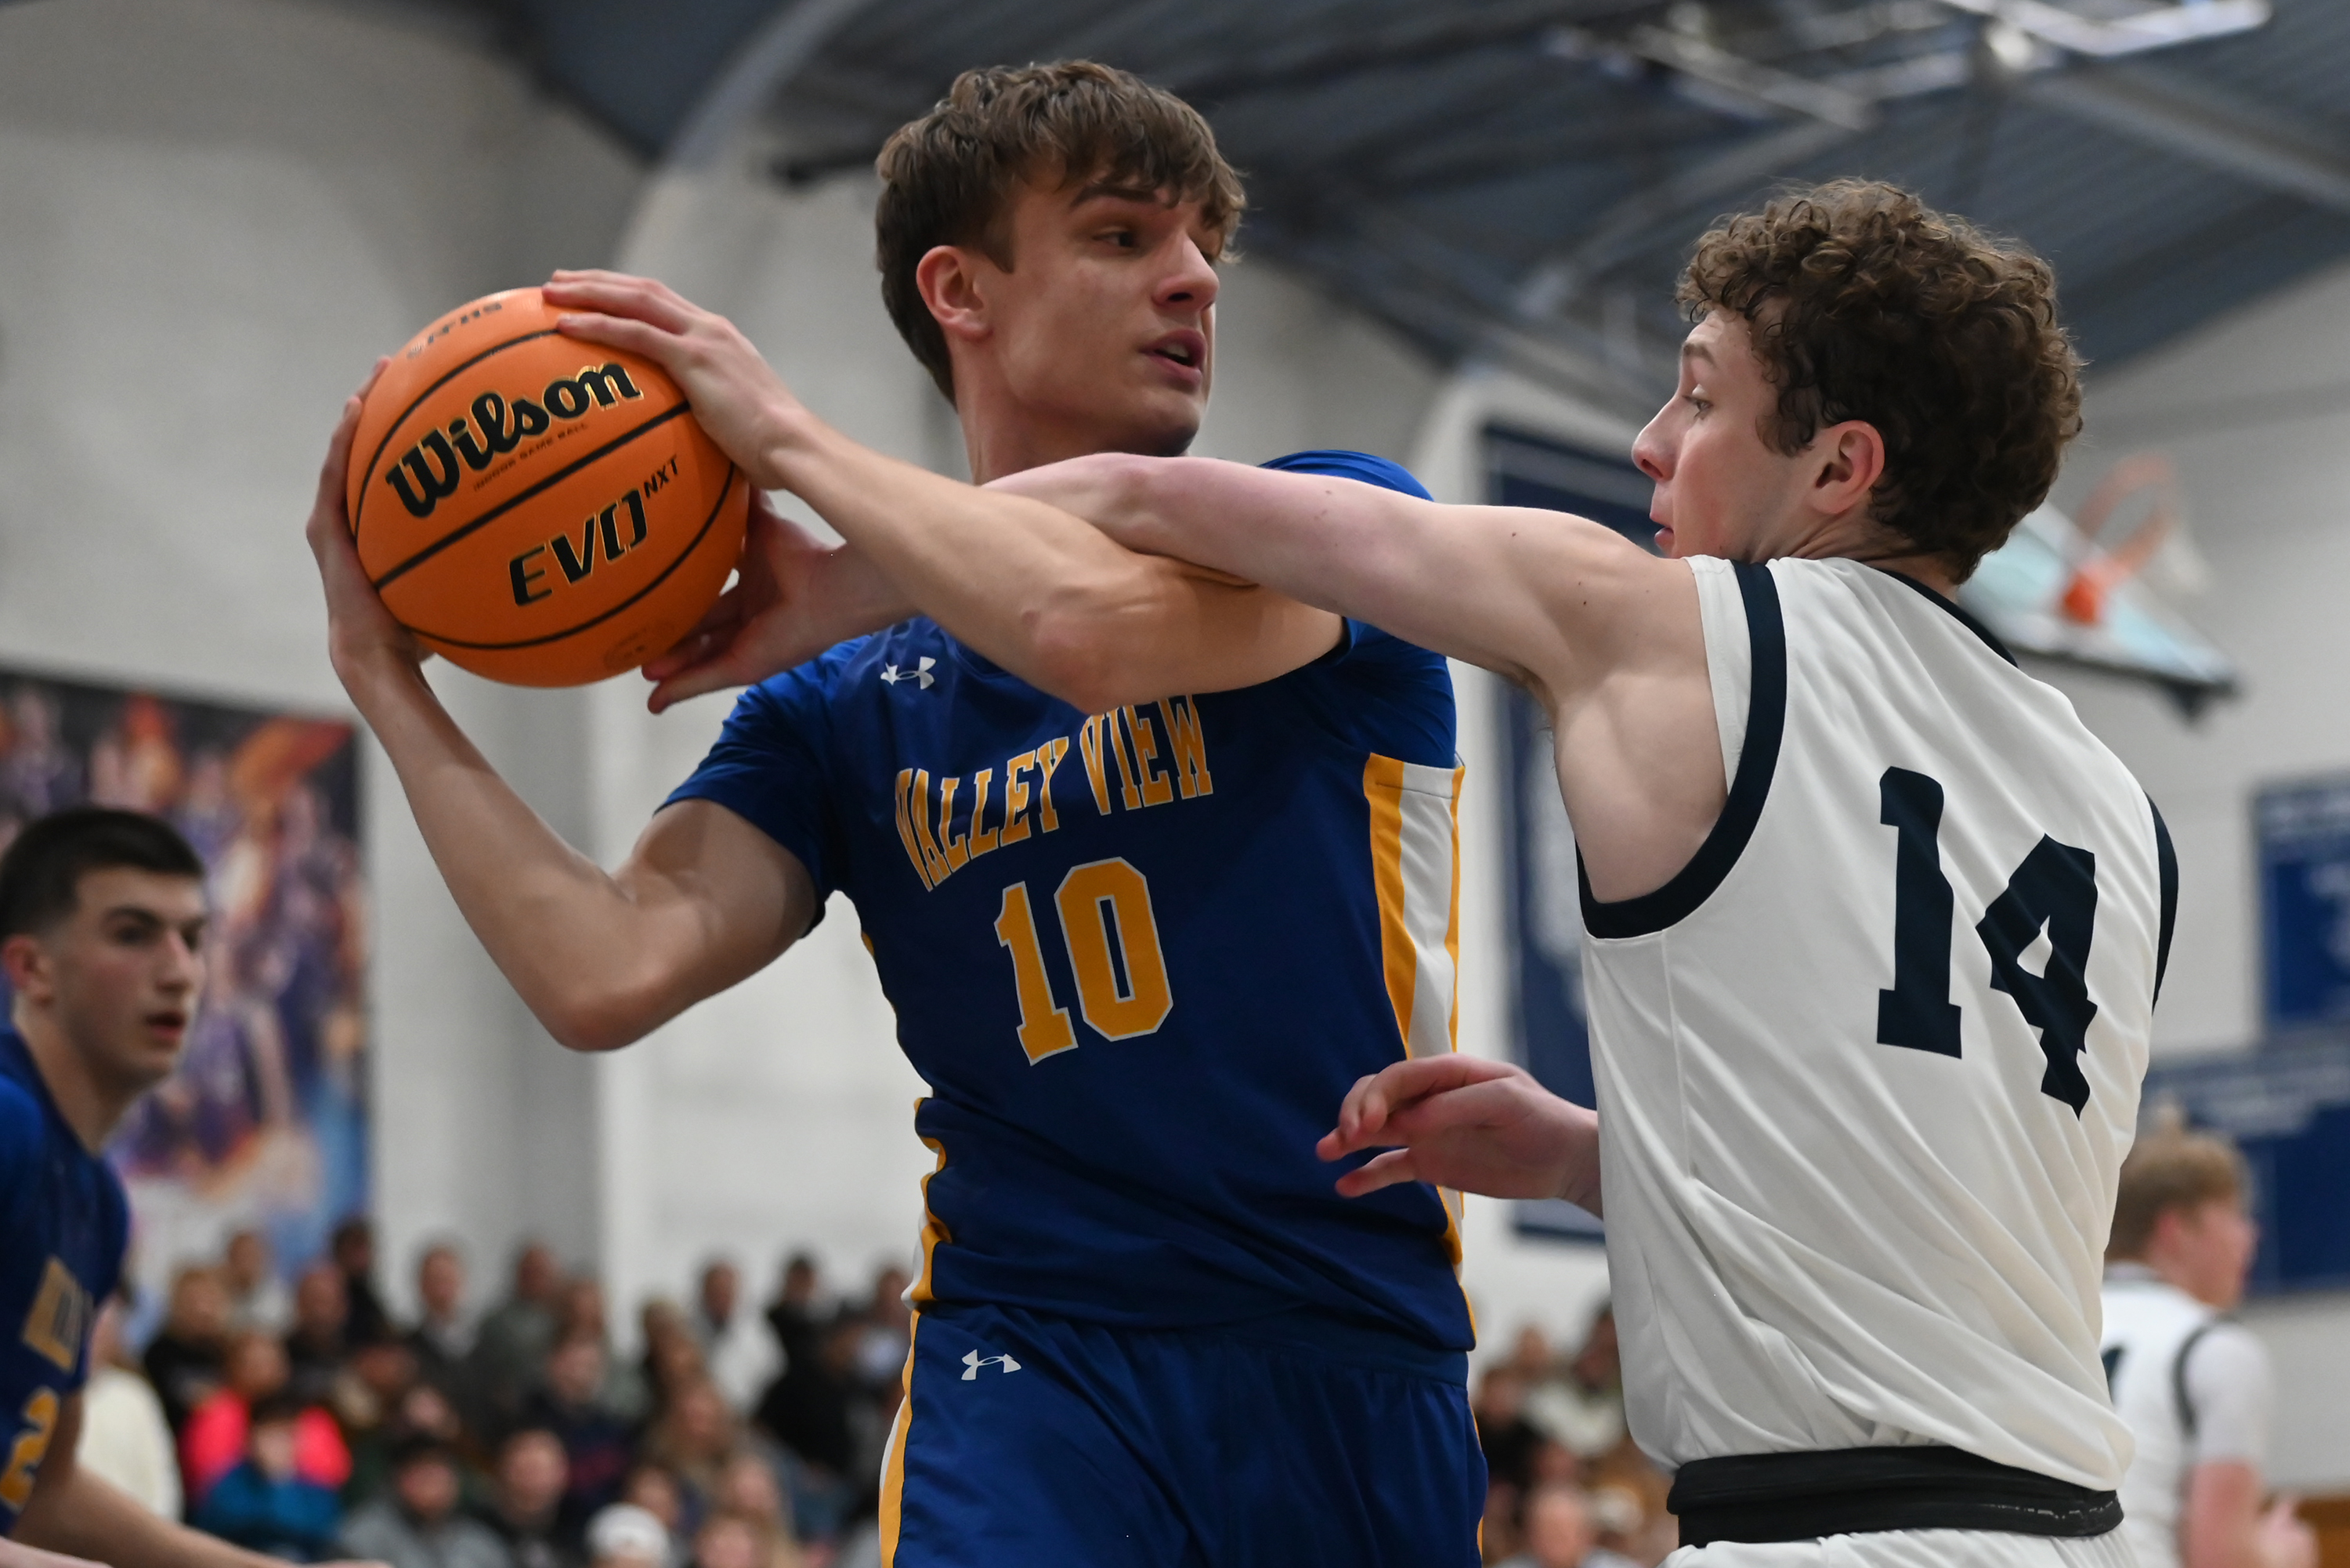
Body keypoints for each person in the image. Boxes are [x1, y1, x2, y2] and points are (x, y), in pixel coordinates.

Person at [306, 60, 1481, 1566]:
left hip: (1344, 1346)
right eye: (1124, 235)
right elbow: (601, 969)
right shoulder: (844, 705)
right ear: (959, 289)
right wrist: (386, 682)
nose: (1193, 278)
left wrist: (796, 452)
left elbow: (1085, 627)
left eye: (1205, 246)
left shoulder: (1337, 519)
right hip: (1031, 1357)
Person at [986, 181, 2173, 1563]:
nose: (1651, 441)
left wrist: (821, 517)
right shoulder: (2119, 807)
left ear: (1840, 468)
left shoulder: (1679, 631)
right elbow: (1944, 1197)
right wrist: (1592, 1158)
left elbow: (1147, 496)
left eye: (1700, 399)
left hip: (1839, 1533)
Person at [0, 806, 373, 1568]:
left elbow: (43, 1491)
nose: (180, 972)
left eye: (193, 939)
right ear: (32, 969)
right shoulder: (8, 1123)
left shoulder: (98, 1204)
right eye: (132, 934)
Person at [2102, 1126, 2316, 1568]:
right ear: (2176, 1229)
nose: (2250, 1236)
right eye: (2235, 1216)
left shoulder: (2056, 1325)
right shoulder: (2214, 1347)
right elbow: (2220, 1559)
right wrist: (2285, 1554)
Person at [190, 1395, 341, 1563]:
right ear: (250, 1439)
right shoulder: (229, 1481)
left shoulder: (315, 1490)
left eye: (286, 1436)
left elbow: (321, 1531)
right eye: (270, 1435)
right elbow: (218, 1524)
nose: (277, 1445)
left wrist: (280, 1484)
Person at [74, 1297, 181, 1519]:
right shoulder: (48, 1393)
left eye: (103, 1329)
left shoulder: (134, 1395)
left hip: (134, 1531)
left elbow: (162, 1482)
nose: (93, 1337)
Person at [338, 1438, 508, 1568]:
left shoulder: (480, 1542)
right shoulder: (365, 1535)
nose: (432, 1483)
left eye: (439, 1472)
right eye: (422, 1473)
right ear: (398, 1478)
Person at [473, 1429, 580, 1568]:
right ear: (503, 1469)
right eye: (527, 1469)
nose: (535, 1480)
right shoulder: (477, 1532)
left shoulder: (578, 1524)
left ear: (563, 1473)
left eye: (542, 1469)